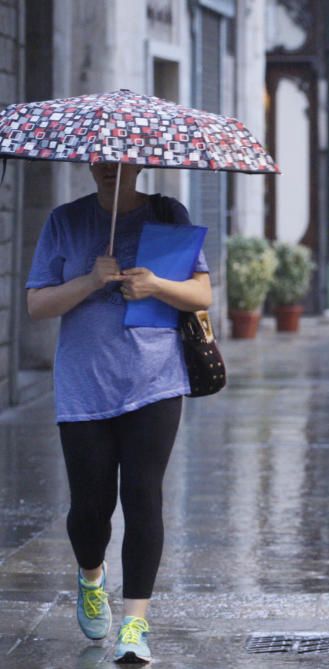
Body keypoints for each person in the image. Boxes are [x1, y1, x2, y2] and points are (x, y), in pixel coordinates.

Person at [26, 162, 211, 664]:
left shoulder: (168, 214)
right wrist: (90, 280)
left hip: (154, 380)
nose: (110, 169)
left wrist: (155, 286)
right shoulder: (65, 221)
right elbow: (37, 305)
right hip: (84, 385)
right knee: (90, 508)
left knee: (143, 497)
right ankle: (91, 576)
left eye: (122, 161)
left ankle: (135, 625)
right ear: (89, 163)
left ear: (140, 164)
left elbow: (202, 293)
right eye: (101, 161)